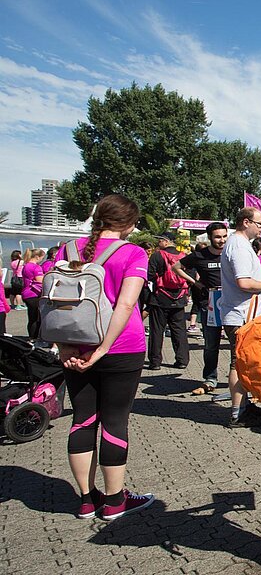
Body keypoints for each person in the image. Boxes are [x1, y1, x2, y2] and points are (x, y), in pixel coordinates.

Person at [57, 194, 154, 521]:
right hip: (121, 347)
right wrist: (102, 349)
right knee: (114, 420)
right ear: (128, 223)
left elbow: (56, 301)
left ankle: (86, 500)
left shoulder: (68, 250)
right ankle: (114, 501)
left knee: (83, 418)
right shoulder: (133, 253)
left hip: (75, 345)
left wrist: (64, 347)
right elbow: (125, 305)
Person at [219, 207, 261, 428]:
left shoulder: (239, 244)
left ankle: (243, 405)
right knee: (239, 363)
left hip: (241, 314)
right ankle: (237, 413)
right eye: (259, 223)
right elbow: (243, 282)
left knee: (243, 362)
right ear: (245, 222)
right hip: (241, 316)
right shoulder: (239, 246)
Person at [173, 222, 228, 394]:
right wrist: (195, 283)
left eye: (224, 236)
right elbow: (176, 267)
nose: (222, 240)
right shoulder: (199, 255)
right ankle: (210, 378)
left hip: (231, 304)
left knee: (237, 345)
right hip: (209, 305)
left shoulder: (231, 252)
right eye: (217, 237)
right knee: (211, 344)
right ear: (210, 237)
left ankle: (238, 381)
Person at [146, 233, 190, 370]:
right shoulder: (183, 256)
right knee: (179, 330)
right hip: (179, 297)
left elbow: (150, 274)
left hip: (160, 296)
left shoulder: (157, 255)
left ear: (166, 241)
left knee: (157, 330)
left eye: (160, 240)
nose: (158, 243)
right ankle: (182, 360)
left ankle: (155, 362)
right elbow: (190, 274)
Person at [21, 248, 45, 340]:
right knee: (37, 318)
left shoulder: (26, 266)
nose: (42, 260)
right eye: (42, 258)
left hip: (26, 292)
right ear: (37, 257)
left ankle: (31, 337)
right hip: (34, 293)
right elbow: (40, 281)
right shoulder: (36, 267)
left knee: (31, 318)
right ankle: (35, 337)